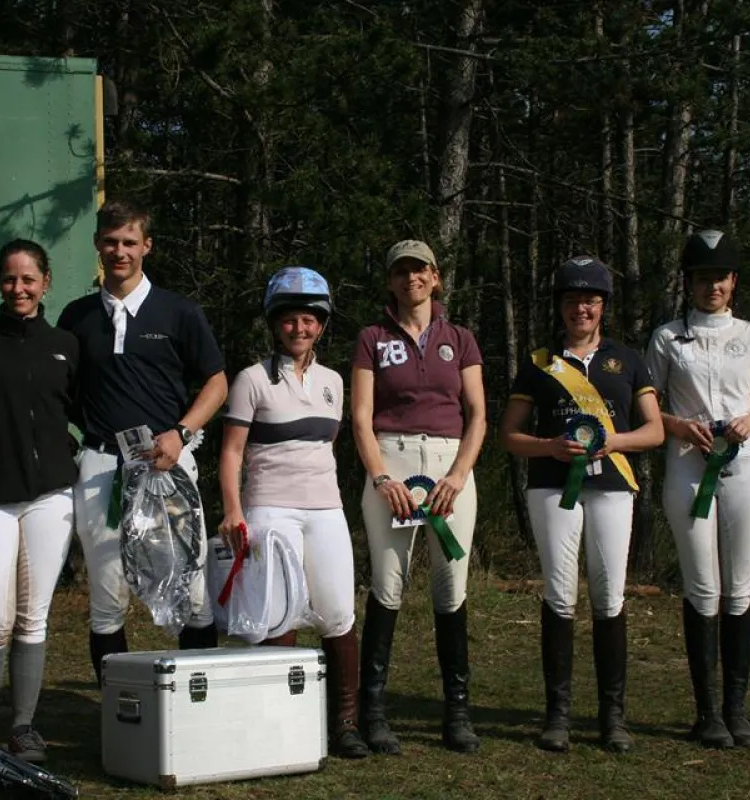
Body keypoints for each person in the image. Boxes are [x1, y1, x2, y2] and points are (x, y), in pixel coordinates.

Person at [57, 201, 228, 684]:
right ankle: (118, 709)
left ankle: (198, 702)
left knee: (191, 591)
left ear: (146, 246)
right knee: (108, 595)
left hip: (167, 465)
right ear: (97, 245)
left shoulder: (179, 312)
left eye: (129, 242)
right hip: (101, 469)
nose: (119, 251)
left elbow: (217, 383)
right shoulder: (77, 316)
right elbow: (62, 389)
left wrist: (183, 432)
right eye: (110, 242)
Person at [500, 255, 663, 754]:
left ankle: (613, 716)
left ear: (603, 306)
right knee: (559, 592)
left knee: (610, 595)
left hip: (614, 484)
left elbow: (655, 431)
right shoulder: (538, 362)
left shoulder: (629, 360)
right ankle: (558, 714)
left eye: (590, 300)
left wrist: (613, 442)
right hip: (552, 484)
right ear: (561, 305)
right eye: (572, 300)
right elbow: (510, 436)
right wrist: (550, 446)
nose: (581, 309)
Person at [217, 266, 369, 759]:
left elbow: (325, 446)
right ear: (274, 322)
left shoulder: (332, 381)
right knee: (278, 615)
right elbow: (232, 452)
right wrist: (233, 511)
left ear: (321, 324)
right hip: (269, 508)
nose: (299, 329)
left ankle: (344, 725)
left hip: (326, 510)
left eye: (309, 320)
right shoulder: (250, 379)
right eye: (289, 320)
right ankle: (278, 724)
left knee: (338, 612)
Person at [644, 230, 750, 749]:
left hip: (743, 466)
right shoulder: (666, 337)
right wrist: (678, 426)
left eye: (719, 278)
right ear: (690, 283)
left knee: (739, 582)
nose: (711, 287)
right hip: (687, 464)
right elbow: (648, 403)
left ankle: (737, 708)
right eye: (702, 279)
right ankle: (707, 712)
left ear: (733, 281)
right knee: (702, 583)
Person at [351, 240, 486, 755]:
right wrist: (383, 478)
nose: (411, 278)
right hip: (392, 461)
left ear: (436, 278)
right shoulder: (371, 338)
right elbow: (360, 416)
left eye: (420, 270)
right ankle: (375, 711)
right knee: (387, 585)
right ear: (390, 281)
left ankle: (457, 711)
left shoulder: (462, 339)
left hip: (452, 466)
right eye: (401, 271)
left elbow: (477, 415)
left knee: (451, 585)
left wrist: (457, 475)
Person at [0, 240, 79, 762]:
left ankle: (24, 727)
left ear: (46, 282)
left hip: (51, 497)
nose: (19, 289)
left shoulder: (66, 345)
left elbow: (88, 410)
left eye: (29, 279)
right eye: (9, 279)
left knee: (35, 617)